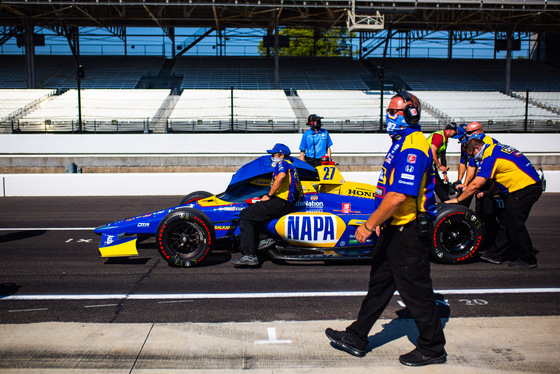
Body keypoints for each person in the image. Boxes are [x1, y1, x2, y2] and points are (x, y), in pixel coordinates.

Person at [325, 92, 446, 367]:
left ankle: (433, 348)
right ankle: (357, 336)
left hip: (410, 231)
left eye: (395, 112)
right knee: (379, 286)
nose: (389, 117)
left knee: (416, 292)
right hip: (394, 228)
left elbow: (399, 196)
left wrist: (369, 225)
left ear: (412, 113)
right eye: (388, 111)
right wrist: (383, 223)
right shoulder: (400, 143)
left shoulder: (413, 146)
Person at [446, 138, 542, 268]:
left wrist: (459, 199)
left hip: (525, 188)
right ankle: (496, 254)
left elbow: (476, 184)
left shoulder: (489, 156)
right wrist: (488, 193)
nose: (473, 159)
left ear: (477, 149)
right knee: (507, 222)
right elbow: (500, 175)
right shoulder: (495, 149)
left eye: (471, 155)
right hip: (523, 186)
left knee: (514, 223)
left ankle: (528, 259)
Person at [231, 143, 301, 267]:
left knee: (246, 215)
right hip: (285, 202)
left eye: (274, 154)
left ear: (281, 155)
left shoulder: (282, 163)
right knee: (252, 211)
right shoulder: (292, 166)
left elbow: (281, 177)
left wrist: (269, 196)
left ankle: (250, 255)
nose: (272, 157)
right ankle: (264, 238)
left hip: (281, 201)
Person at [427, 123, 458, 201]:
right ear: (450, 131)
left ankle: (446, 201)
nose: (455, 134)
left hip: (430, 162)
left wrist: (444, 173)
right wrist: (439, 165)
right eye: (455, 132)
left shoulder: (445, 138)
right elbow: (432, 150)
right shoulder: (439, 136)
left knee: (438, 184)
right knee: (437, 184)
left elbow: (443, 155)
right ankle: (446, 201)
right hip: (425, 162)